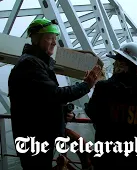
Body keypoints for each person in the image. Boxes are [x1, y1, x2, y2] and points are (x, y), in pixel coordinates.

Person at [8, 18, 102, 170]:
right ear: (37, 40)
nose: (54, 43)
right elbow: (54, 94)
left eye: (55, 39)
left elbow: (40, 100)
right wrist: (86, 85)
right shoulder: (30, 64)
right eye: (50, 38)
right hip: (35, 138)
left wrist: (62, 112)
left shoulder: (35, 63)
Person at [85, 42, 137, 170]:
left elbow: (92, 113)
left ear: (123, 64)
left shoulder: (103, 87)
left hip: (107, 158)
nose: (113, 65)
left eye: (116, 61)